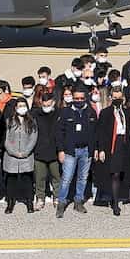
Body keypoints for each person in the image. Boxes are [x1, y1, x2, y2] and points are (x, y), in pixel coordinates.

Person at [55, 86, 95, 217]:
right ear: (72, 98)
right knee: (66, 178)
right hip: (70, 152)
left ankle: (78, 201)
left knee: (83, 178)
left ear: (85, 98)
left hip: (86, 151)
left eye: (81, 98)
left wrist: (95, 149)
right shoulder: (65, 112)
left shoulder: (90, 112)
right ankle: (61, 203)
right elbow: (59, 134)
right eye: (76, 98)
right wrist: (60, 150)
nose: (79, 100)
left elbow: (96, 132)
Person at [94, 85, 130, 215]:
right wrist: (101, 149)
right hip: (112, 144)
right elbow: (101, 133)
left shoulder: (126, 111)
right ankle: (115, 203)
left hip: (124, 144)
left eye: (119, 97)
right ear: (111, 98)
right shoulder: (106, 112)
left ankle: (124, 196)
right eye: (115, 97)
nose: (117, 100)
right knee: (114, 173)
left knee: (123, 171)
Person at [2, 97, 37, 213]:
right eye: (19, 106)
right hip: (11, 156)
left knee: (27, 180)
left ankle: (29, 202)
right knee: (11, 180)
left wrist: (26, 152)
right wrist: (13, 152)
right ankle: (10, 202)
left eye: (24, 106)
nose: (22, 108)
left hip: (26, 156)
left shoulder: (32, 121)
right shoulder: (9, 121)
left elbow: (33, 138)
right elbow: (5, 139)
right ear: (15, 108)